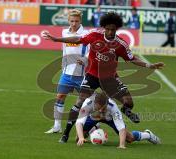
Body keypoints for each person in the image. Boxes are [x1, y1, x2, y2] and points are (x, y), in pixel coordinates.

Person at [42, 12, 164, 142]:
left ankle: (126, 111)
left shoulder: (120, 44)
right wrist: (56, 39)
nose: (110, 32)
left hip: (110, 78)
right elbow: (77, 39)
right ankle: (65, 134)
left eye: (113, 29)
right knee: (79, 102)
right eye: (108, 29)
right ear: (103, 27)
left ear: (117, 29)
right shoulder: (95, 35)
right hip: (92, 76)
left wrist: (148, 65)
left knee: (128, 102)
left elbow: (132, 58)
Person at [44, 9, 89, 134]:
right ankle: (57, 126)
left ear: (80, 21)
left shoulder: (86, 33)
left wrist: (85, 59)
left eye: (76, 21)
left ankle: (90, 128)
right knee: (60, 97)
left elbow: (90, 49)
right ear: (68, 21)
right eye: (72, 21)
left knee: (86, 102)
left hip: (82, 73)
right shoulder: (64, 32)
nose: (74, 23)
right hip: (66, 72)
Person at [76, 92, 161, 148]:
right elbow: (79, 123)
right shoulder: (87, 104)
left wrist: (121, 145)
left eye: (103, 108)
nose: (101, 110)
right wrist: (81, 137)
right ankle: (94, 128)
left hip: (110, 118)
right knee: (78, 138)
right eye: (99, 108)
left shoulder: (112, 106)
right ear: (95, 104)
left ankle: (148, 135)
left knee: (129, 138)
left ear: (106, 104)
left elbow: (121, 127)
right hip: (94, 116)